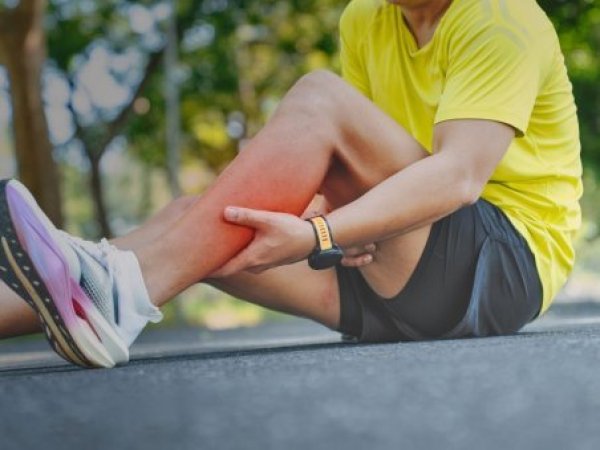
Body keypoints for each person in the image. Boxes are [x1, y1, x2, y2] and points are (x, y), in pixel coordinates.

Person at [0, 0, 581, 368]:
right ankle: (98, 294)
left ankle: (117, 294)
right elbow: (348, 166)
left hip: (498, 269)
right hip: (391, 274)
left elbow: (458, 177)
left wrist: (319, 234)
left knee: (321, 100)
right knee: (192, 224)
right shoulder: (366, 18)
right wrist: (322, 221)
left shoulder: (500, 18)